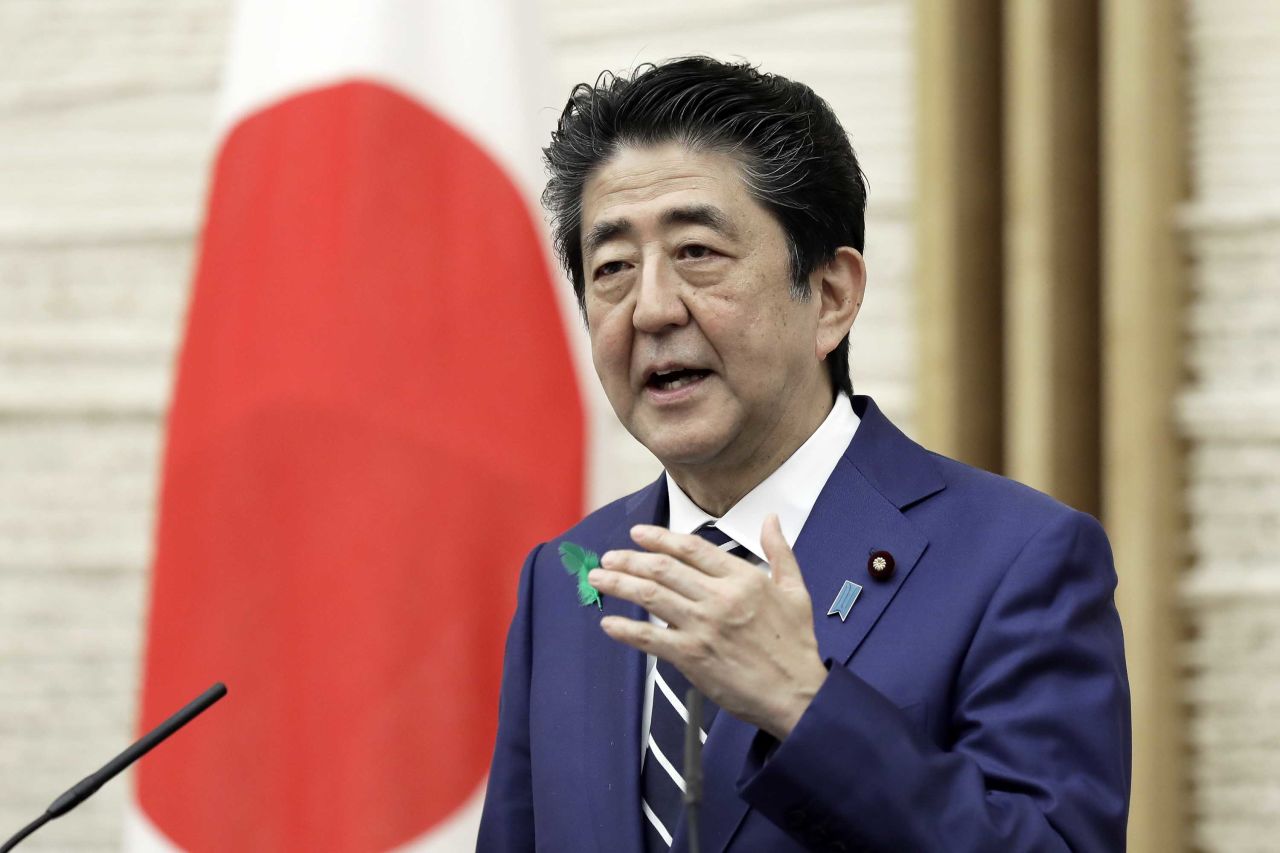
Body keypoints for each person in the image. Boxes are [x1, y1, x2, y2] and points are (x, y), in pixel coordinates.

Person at [478, 57, 1130, 852]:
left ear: (830, 296)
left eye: (697, 252)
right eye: (612, 268)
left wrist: (805, 706)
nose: (649, 307)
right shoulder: (569, 577)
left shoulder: (1016, 560)